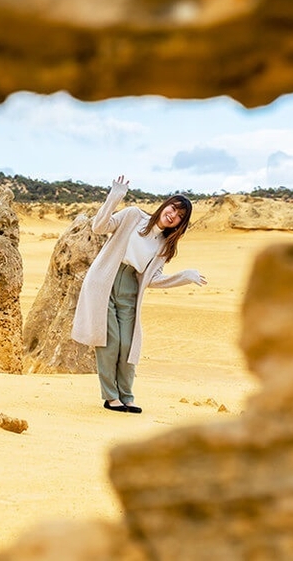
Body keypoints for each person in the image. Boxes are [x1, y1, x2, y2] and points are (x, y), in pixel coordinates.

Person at [71, 175, 206, 414]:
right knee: (109, 342)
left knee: (129, 344)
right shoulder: (133, 216)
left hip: (130, 289)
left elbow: (153, 279)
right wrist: (116, 195)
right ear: (165, 205)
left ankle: (127, 395)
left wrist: (185, 276)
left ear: (180, 224)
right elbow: (99, 227)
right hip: (105, 282)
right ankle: (111, 397)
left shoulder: (165, 245)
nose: (173, 215)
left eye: (180, 216)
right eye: (173, 208)